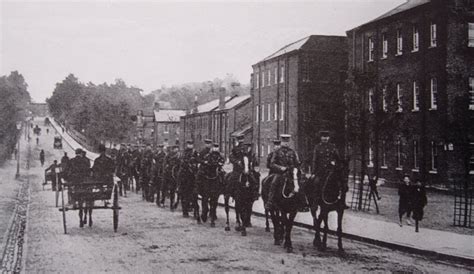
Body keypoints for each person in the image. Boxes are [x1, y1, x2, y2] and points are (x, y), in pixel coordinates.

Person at [311, 130, 347, 208]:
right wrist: (313, 172)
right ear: (321, 138)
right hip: (320, 171)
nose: (325, 138)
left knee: (342, 183)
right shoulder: (317, 147)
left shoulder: (333, 147)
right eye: (324, 137)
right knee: (316, 182)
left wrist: (335, 163)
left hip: (331, 171)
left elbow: (338, 159)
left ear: (329, 138)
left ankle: (342, 202)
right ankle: (316, 200)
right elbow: (314, 160)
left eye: (327, 137)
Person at [266, 134, 302, 210]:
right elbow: (272, 164)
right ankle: (270, 201)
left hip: (291, 173)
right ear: (281, 142)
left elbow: (297, 163)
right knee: (273, 183)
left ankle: (302, 203)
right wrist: (280, 168)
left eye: (287, 141)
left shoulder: (292, 152)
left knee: (301, 183)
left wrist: (297, 168)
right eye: (284, 141)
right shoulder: (277, 151)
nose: (286, 143)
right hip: (280, 173)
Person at [178, 140, 200, 217]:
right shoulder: (184, 152)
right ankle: (185, 211)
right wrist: (187, 163)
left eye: (191, 144)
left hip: (193, 174)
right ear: (187, 145)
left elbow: (198, 160)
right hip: (185, 173)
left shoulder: (195, 152)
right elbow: (182, 161)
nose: (190, 145)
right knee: (185, 193)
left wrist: (195, 163)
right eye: (189, 144)